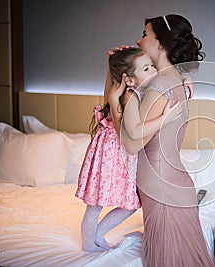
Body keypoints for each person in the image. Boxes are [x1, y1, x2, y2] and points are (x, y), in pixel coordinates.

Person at [121, 14, 215, 266]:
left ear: (161, 44)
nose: (139, 40)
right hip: (172, 179)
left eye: (145, 34)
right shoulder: (175, 80)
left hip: (160, 181)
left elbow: (132, 145)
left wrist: (117, 102)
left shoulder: (158, 86)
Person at [75, 47, 181, 252]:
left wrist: (184, 79)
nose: (154, 70)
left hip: (118, 154)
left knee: (127, 203)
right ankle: (89, 243)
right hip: (112, 153)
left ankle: (95, 235)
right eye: (147, 68)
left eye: (152, 65)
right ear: (129, 80)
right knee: (98, 204)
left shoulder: (128, 91)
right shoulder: (129, 96)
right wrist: (164, 119)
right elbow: (133, 131)